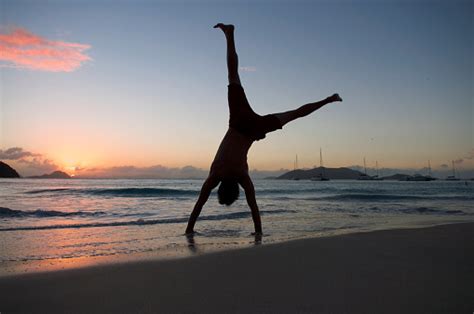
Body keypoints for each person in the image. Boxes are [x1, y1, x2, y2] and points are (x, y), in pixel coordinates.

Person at [185, 23, 342, 235]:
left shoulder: (242, 176)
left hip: (253, 130)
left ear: (235, 190)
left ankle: (329, 99)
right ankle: (229, 34)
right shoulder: (216, 174)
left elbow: (253, 206)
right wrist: (189, 229)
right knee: (233, 75)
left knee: (293, 114)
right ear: (221, 188)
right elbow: (199, 205)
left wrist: (258, 232)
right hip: (240, 122)